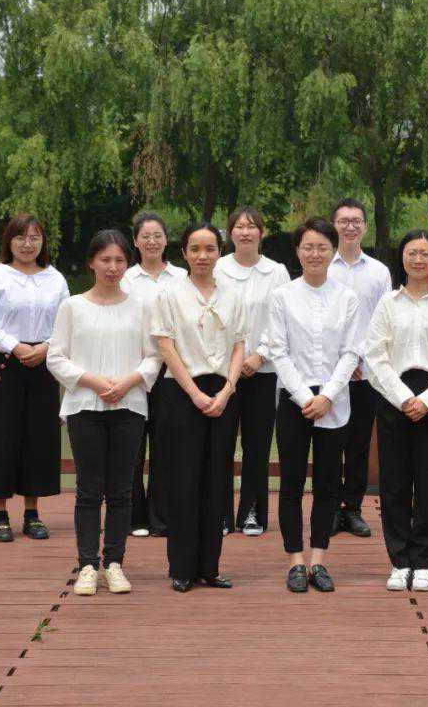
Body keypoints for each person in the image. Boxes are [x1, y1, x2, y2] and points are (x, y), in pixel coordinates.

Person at [48, 230, 162, 596]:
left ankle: (114, 563)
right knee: (88, 489)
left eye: (119, 260)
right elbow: (56, 357)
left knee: (121, 490)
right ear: (92, 263)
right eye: (105, 260)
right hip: (85, 405)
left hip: (129, 405)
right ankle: (87, 564)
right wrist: (93, 382)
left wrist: (128, 382)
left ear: (128, 264)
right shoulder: (72, 306)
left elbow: (154, 356)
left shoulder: (142, 307)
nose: (112, 267)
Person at [364, 230, 428, 592]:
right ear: (402, 257)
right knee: (393, 482)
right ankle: (399, 560)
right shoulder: (388, 303)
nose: (419, 260)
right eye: (412, 253)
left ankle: (422, 560)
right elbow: (375, 356)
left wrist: (427, 401)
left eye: (425, 254)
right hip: (394, 399)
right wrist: (403, 397)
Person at [151, 223, 246, 592]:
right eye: (195, 249)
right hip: (182, 392)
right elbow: (166, 346)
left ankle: (210, 566)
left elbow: (239, 345)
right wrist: (193, 393)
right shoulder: (170, 294)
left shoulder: (232, 294)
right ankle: (182, 566)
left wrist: (227, 390)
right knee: (184, 480)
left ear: (219, 252)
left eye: (209, 249)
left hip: (222, 393)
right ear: (184, 253)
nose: (202, 256)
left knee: (217, 479)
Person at [267, 218, 360, 593]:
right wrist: (307, 398)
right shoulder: (282, 296)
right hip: (294, 399)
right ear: (298, 251)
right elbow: (278, 351)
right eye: (308, 247)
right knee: (291, 483)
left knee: (327, 484)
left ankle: (319, 560)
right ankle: (295, 561)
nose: (315, 253)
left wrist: (327, 396)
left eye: (323, 247)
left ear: (333, 251)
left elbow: (351, 352)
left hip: (333, 400)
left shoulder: (347, 298)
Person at [0, 214, 69, 542]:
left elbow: (66, 322)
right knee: (1, 434)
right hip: (6, 359)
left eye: (34, 238)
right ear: (9, 241)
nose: (28, 244)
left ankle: (32, 513)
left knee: (40, 436)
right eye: (20, 237)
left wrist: (46, 347)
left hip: (44, 359)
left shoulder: (55, 279)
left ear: (43, 242)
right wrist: (14, 345)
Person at [214, 207, 291, 537]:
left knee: (257, 445)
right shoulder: (218, 268)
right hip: (223, 371)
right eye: (239, 226)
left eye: (251, 226)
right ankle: (219, 514)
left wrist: (260, 355)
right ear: (230, 232)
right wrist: (232, 359)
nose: (245, 232)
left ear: (262, 232)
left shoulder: (277, 272)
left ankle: (251, 511)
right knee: (220, 444)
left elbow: (283, 321)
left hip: (263, 371)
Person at [326, 198, 391, 538]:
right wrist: (342, 361)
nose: (350, 226)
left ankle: (352, 508)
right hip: (328, 373)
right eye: (343, 221)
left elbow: (383, 322)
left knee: (359, 443)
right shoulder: (322, 267)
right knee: (329, 441)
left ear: (365, 226)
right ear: (333, 225)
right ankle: (327, 508)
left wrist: (359, 359)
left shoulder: (379, 272)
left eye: (356, 221)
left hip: (365, 374)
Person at [121, 211, 187, 539]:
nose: (151, 241)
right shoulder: (125, 278)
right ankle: (133, 517)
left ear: (166, 240)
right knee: (132, 443)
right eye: (145, 236)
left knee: (166, 446)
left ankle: (162, 517)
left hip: (171, 371)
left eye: (157, 235)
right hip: (132, 370)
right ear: (135, 241)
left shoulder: (181, 277)